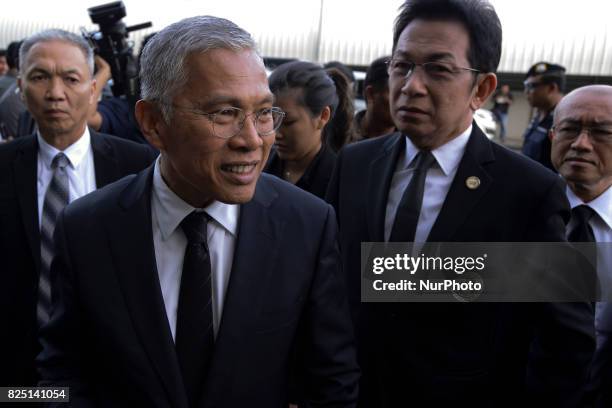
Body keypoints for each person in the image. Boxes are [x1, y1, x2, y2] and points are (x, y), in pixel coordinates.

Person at [37, 16, 359, 407]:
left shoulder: (307, 225)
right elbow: (62, 374)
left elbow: (331, 383)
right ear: (153, 122)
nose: (253, 141)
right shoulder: (87, 228)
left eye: (263, 113)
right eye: (224, 113)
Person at [326, 0, 594, 406]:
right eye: (402, 66)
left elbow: (565, 341)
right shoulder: (354, 165)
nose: (411, 85)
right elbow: (328, 287)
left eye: (438, 69)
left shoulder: (529, 191)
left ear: (482, 89)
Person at [0, 29, 157, 387]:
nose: (56, 93)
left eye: (71, 79)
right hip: (16, 371)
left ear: (93, 90)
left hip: (109, 370)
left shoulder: (138, 166)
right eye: (40, 78)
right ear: (21, 89)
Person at [550, 85, 612, 407]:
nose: (581, 144)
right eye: (570, 129)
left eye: (601, 133)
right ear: (552, 137)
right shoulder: (515, 207)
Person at [264, 61, 353, 199]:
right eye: (270, 119)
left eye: (288, 122)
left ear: (323, 116)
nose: (276, 133)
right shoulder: (260, 166)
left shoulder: (340, 182)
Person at [522, 61, 566, 171]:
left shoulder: (564, 120)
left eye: (531, 86)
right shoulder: (539, 115)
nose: (526, 92)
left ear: (551, 88)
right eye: (525, 86)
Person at [352, 56, 395, 141]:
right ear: (370, 94)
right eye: (394, 93)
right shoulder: (340, 136)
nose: (402, 100)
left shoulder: (410, 143)